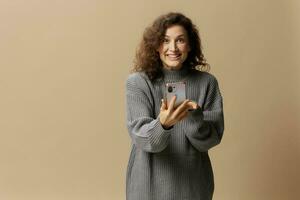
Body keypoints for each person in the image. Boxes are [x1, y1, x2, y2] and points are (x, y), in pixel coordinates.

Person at [125, 12, 224, 200]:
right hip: (148, 186)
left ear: (190, 44)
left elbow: (211, 140)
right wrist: (163, 124)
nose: (173, 48)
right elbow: (143, 139)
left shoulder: (207, 83)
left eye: (180, 40)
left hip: (193, 186)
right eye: (165, 40)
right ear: (155, 45)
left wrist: (194, 118)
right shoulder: (138, 82)